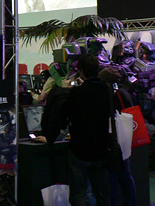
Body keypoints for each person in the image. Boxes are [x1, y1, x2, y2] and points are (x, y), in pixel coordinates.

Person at [39, 55, 112, 206]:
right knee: (102, 194)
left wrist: (64, 91)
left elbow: (63, 114)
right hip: (101, 149)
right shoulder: (106, 90)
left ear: (81, 71)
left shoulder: (77, 93)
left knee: (78, 195)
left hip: (80, 149)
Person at [99, 68, 137, 206]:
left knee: (113, 179)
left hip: (114, 139)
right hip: (124, 139)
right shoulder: (124, 93)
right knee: (126, 176)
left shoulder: (111, 95)